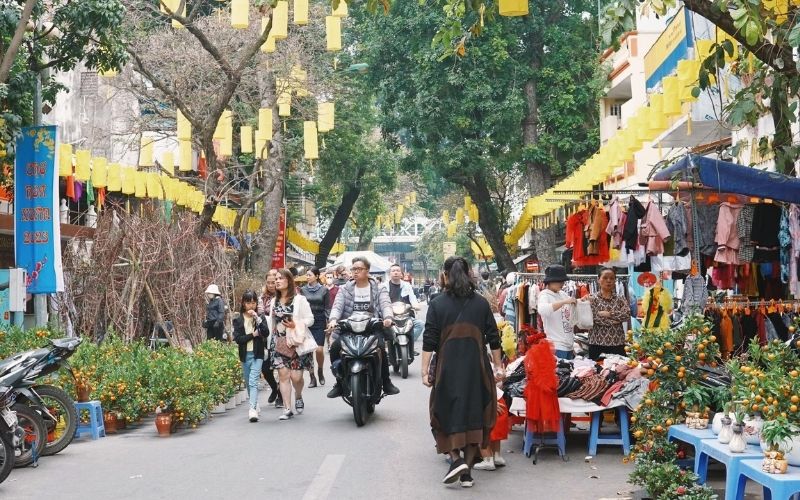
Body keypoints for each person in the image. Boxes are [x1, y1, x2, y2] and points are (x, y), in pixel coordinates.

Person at [422, 256, 503, 488]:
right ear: (469, 274)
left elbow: (429, 340)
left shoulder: (437, 303)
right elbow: (493, 338)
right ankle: (466, 473)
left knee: (443, 411)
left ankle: (456, 459)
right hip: (476, 367)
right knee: (475, 413)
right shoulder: (480, 303)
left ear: (445, 275)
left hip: (447, 368)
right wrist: (498, 366)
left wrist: (424, 371)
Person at [326, 256, 399, 398]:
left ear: (368, 271)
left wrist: (388, 318)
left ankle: (386, 382)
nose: (355, 272)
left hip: (372, 328)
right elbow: (337, 307)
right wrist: (333, 320)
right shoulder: (344, 289)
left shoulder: (379, 288)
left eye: (359, 269)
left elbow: (385, 305)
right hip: (349, 329)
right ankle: (339, 383)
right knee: (335, 348)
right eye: (353, 269)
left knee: (381, 350)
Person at [268, 269, 315, 421]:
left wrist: (296, 324)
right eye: (275, 278)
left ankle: (299, 395)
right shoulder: (273, 301)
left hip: (296, 342)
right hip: (279, 341)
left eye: (280, 278)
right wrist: (269, 342)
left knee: (296, 377)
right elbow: (272, 323)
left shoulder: (299, 300)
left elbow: (310, 319)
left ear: (289, 281)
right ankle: (287, 408)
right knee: (283, 375)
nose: (277, 281)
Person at [233, 290, 269, 422]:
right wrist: (253, 335)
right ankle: (255, 404)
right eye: (248, 302)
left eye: (253, 302)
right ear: (243, 303)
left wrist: (258, 317)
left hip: (257, 354)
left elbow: (265, 332)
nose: (251, 306)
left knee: (253, 380)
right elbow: (238, 339)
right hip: (244, 355)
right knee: (248, 382)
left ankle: (252, 409)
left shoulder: (259, 317)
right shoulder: (238, 320)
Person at [586, 267, 630, 360]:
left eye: (612, 278)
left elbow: (626, 315)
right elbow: (595, 319)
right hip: (596, 343)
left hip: (617, 343)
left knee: (618, 371)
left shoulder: (620, 298)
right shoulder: (592, 299)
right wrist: (616, 321)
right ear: (598, 280)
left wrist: (609, 314)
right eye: (605, 278)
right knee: (596, 371)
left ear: (615, 281)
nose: (609, 281)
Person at [537, 265, 577, 360]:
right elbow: (543, 310)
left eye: (563, 281)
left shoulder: (562, 294)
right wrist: (564, 302)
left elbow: (573, 304)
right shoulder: (544, 295)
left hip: (569, 344)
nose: (562, 283)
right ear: (550, 281)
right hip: (556, 345)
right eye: (559, 281)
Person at [300, 267, 330, 387]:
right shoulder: (302, 290)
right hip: (307, 321)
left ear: (317, 276)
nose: (307, 277)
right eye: (306, 275)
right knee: (308, 351)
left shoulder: (324, 290)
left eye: (310, 275)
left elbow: (327, 307)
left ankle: (320, 370)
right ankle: (312, 377)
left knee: (319, 349)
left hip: (319, 320)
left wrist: (329, 321)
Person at [258, 270, 281, 407]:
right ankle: (275, 388)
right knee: (266, 368)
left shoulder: (282, 296)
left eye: (274, 282)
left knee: (282, 368)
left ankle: (282, 396)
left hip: (280, 334)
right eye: (269, 283)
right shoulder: (262, 297)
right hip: (266, 336)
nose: (272, 285)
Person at [387, 263, 423, 343]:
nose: (395, 272)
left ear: (401, 274)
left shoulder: (407, 285)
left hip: (406, 316)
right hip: (390, 317)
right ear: (390, 273)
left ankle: (410, 343)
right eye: (393, 271)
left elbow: (412, 298)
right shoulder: (384, 286)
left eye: (398, 271)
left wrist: (416, 305)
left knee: (420, 324)